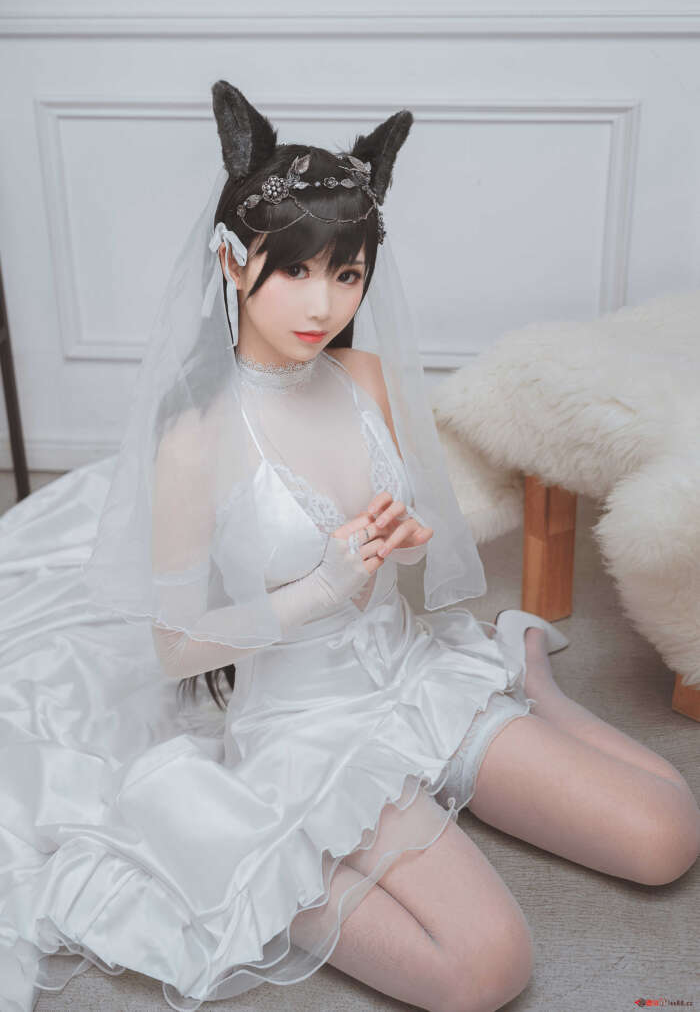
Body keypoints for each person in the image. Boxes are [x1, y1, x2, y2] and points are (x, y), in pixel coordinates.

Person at [1, 82, 698, 1012]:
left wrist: (406, 543)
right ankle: (252, 861)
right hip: (309, 727)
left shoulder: (363, 376)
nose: (322, 303)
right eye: (295, 270)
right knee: (486, 969)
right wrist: (318, 591)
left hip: (412, 676)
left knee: (667, 836)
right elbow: (175, 648)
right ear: (233, 260)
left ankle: (527, 679)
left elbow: (401, 551)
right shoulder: (195, 439)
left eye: (347, 274)